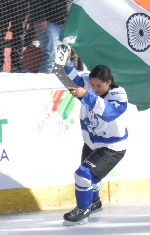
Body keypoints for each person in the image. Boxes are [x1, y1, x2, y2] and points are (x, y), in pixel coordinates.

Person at [56, 45, 133, 224]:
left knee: (83, 174)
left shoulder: (119, 95)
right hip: (91, 142)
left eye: (99, 86)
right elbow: (67, 76)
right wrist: (64, 60)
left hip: (112, 147)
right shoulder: (87, 84)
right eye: (92, 85)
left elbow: (108, 113)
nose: (95, 88)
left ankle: (82, 211)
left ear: (109, 82)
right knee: (92, 177)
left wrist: (86, 95)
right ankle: (94, 202)